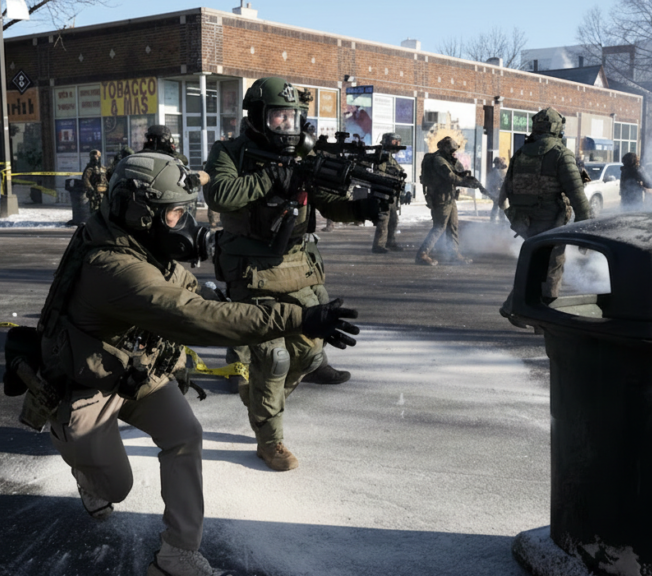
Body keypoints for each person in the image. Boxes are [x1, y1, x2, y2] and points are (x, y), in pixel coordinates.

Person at [21, 152, 359, 576]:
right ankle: (83, 462)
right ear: (142, 213)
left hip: (133, 370)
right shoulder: (115, 267)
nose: (185, 225)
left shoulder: (137, 243)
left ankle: (177, 554)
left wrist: (256, 301)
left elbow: (195, 294)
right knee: (116, 488)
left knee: (185, 434)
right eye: (176, 213)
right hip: (85, 384)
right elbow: (194, 317)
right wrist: (298, 317)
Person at [204, 76, 386, 470]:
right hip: (250, 271)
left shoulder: (304, 155)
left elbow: (329, 201)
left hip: (298, 268)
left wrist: (360, 209)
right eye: (277, 118)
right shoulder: (229, 152)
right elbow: (220, 194)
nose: (285, 126)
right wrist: (272, 177)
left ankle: (259, 399)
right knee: (274, 358)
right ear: (256, 118)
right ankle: (270, 440)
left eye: (291, 118)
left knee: (309, 353)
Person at [498, 108, 590, 321]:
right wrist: (586, 231)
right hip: (551, 222)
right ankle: (544, 317)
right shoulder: (560, 154)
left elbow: (505, 193)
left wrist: (514, 217)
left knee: (535, 265)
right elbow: (578, 197)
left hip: (524, 221)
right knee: (552, 269)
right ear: (557, 128)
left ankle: (514, 306)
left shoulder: (521, 153)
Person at [416, 136, 483, 266]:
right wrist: (465, 182)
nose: (454, 152)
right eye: (452, 149)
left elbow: (457, 173)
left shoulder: (447, 160)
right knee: (439, 227)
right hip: (440, 198)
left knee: (453, 226)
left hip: (449, 197)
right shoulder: (439, 160)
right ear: (445, 148)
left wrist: (465, 177)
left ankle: (454, 254)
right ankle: (422, 254)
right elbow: (450, 176)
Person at [371, 133, 405, 253]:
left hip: (390, 192)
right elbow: (380, 172)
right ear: (386, 141)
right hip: (383, 191)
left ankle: (390, 242)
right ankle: (378, 245)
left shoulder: (389, 156)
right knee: (384, 218)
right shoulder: (382, 154)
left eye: (398, 141)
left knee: (393, 219)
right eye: (394, 141)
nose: (397, 144)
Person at [487, 156, 508, 223]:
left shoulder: (495, 170)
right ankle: (501, 220)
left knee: (496, 206)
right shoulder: (496, 171)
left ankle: (493, 220)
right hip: (496, 192)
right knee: (501, 206)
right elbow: (500, 181)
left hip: (494, 192)